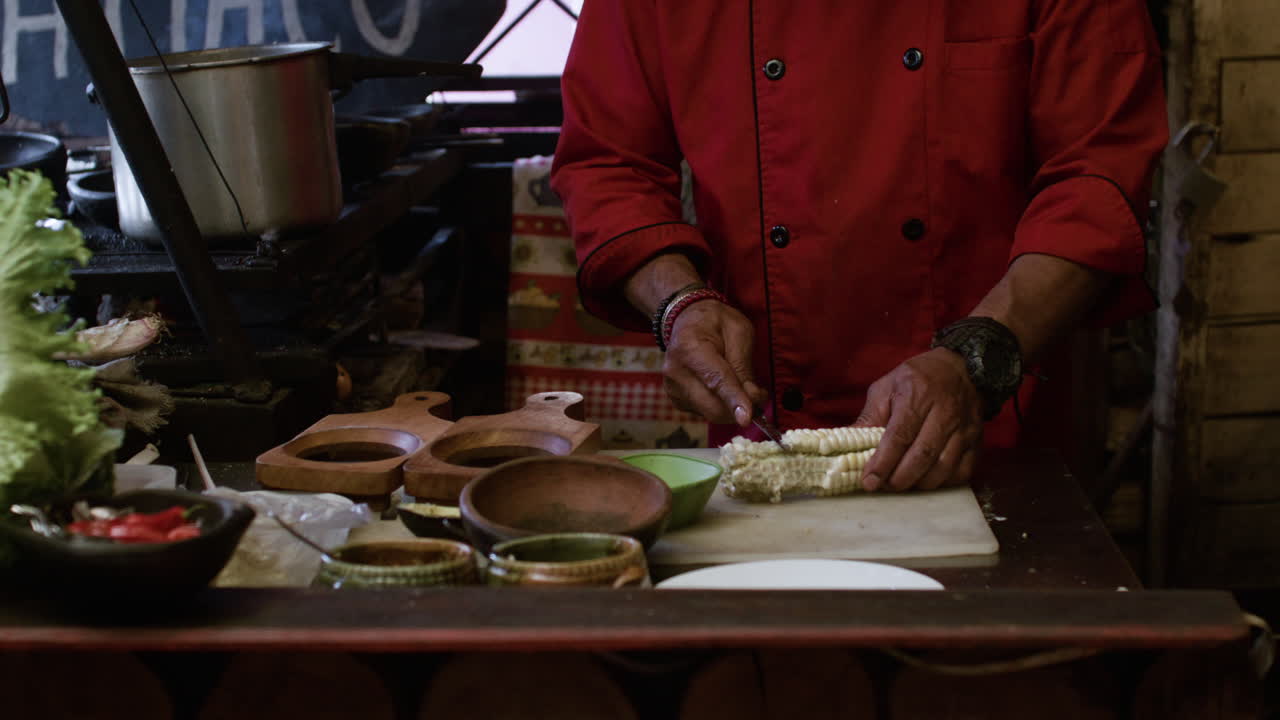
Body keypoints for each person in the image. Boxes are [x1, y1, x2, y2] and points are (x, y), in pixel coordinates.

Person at [550, 1, 1167, 492]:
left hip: (1002, 420)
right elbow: (609, 161)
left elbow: (1097, 174)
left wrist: (977, 359)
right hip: (770, 427)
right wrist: (679, 303)